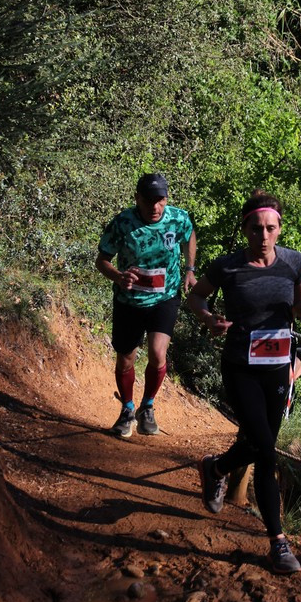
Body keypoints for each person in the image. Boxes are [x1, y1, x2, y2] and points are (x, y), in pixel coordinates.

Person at [187, 190, 301, 574]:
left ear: (280, 229)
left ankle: (215, 468)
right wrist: (209, 319)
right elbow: (196, 297)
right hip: (240, 368)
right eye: (256, 228)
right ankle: (278, 543)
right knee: (265, 451)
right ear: (245, 228)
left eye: (271, 228)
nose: (264, 235)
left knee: (259, 444)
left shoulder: (294, 262)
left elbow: (298, 307)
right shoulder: (228, 266)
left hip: (278, 368)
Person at [96, 173, 196, 438]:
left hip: (165, 297)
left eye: (160, 200)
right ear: (137, 198)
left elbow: (189, 235)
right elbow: (102, 260)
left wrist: (190, 269)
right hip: (129, 301)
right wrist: (118, 276)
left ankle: (147, 406)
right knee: (126, 358)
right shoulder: (122, 223)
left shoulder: (177, 218)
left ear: (166, 199)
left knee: (157, 353)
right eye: (149, 200)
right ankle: (127, 409)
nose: (155, 206)